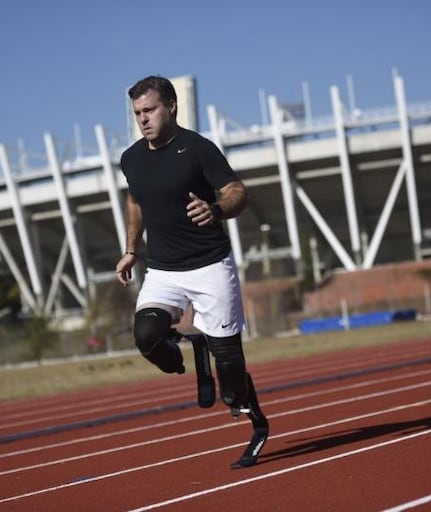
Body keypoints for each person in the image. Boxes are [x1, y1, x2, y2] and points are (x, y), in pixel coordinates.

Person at [115, 75, 268, 468]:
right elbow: (136, 200)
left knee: (230, 383)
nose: (143, 119)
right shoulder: (131, 158)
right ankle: (193, 346)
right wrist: (132, 249)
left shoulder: (198, 149)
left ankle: (256, 423)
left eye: (149, 110)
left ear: (171, 106)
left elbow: (237, 192)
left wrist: (216, 209)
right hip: (164, 270)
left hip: (210, 267)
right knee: (147, 336)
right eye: (137, 113)